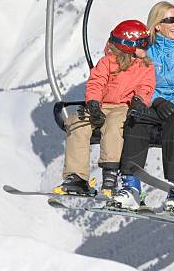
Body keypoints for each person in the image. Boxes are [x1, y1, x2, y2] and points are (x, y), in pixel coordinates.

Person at [113, 1, 174, 214]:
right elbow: (140, 83)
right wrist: (156, 100)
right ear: (157, 25)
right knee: (137, 119)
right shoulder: (147, 53)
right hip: (159, 107)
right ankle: (131, 185)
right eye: (170, 19)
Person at [53, 20, 155, 198]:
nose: (147, 47)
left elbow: (146, 87)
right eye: (143, 43)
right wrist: (93, 104)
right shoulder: (107, 62)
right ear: (128, 45)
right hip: (101, 105)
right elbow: (96, 83)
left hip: (123, 106)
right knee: (78, 123)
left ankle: (110, 175)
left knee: (115, 126)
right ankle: (76, 177)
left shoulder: (145, 66)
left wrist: (139, 101)